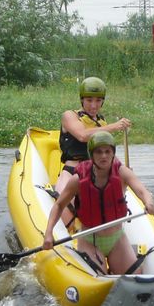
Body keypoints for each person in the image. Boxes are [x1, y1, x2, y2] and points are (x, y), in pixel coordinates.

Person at [43, 131, 154, 275]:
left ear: (113, 153)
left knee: (134, 277)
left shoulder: (122, 172)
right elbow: (59, 205)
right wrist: (48, 234)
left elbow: (141, 190)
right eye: (99, 152)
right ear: (92, 154)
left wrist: (149, 202)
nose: (104, 156)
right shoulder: (78, 179)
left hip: (117, 238)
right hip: (90, 240)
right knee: (98, 277)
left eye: (107, 151)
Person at [55, 77, 131, 227]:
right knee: (65, 211)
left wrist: (122, 170)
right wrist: (114, 127)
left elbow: (107, 154)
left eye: (98, 100)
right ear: (82, 100)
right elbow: (82, 135)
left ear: (103, 101)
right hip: (72, 172)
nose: (93, 105)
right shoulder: (69, 116)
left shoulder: (102, 123)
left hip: (97, 174)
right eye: (89, 100)